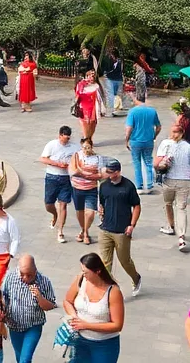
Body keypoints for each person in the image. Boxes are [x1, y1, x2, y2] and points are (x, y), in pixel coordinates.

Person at [63, 253, 125, 363]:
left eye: (86, 272)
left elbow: (117, 325)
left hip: (104, 345)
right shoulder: (81, 279)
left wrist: (86, 325)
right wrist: (74, 316)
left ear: (97, 271)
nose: (83, 274)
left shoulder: (113, 292)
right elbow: (67, 301)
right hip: (80, 340)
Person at [96, 158, 142, 295]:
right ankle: (108, 290)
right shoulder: (104, 186)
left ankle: (136, 277)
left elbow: (137, 206)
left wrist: (132, 225)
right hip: (105, 229)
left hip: (122, 231)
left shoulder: (128, 186)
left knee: (124, 261)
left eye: (111, 172)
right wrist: (101, 210)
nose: (109, 175)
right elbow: (102, 203)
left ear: (118, 171)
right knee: (105, 263)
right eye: (107, 172)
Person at [2, 255, 57, 363]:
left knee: (25, 359)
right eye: (22, 274)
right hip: (14, 325)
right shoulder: (10, 277)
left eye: (29, 275)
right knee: (19, 358)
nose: (25, 278)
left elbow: (50, 306)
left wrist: (39, 297)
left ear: (35, 271)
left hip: (33, 325)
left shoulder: (44, 281)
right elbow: (3, 297)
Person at [156, 123, 190, 252]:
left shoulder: (165, 144)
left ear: (181, 133)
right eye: (173, 132)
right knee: (178, 207)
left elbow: (156, 163)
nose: (173, 134)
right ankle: (180, 234)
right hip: (183, 181)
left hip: (171, 180)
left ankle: (175, 230)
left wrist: (161, 166)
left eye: (176, 132)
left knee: (171, 205)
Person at [39, 126, 79, 244]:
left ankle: (60, 231)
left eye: (67, 138)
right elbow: (43, 159)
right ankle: (54, 215)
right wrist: (56, 163)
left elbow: (79, 159)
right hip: (52, 177)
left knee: (63, 204)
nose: (65, 141)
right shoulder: (52, 145)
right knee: (48, 204)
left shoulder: (74, 147)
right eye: (63, 138)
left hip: (66, 178)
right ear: (60, 135)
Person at [124, 93, 162, 194]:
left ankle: (139, 187)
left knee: (137, 163)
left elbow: (129, 128)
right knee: (148, 162)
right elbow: (158, 127)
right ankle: (149, 185)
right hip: (148, 140)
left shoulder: (132, 112)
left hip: (135, 141)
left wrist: (126, 140)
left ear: (136, 99)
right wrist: (154, 136)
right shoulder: (152, 111)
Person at [70, 137, 103, 245]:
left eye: (88, 147)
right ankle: (84, 232)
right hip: (77, 187)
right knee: (80, 211)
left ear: (92, 147)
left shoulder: (97, 158)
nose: (85, 149)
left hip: (91, 189)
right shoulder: (76, 156)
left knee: (90, 213)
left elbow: (100, 175)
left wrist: (85, 175)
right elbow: (73, 171)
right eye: (84, 147)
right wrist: (89, 175)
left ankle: (84, 232)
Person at [74, 71, 105, 140]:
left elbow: (102, 98)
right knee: (85, 124)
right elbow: (78, 94)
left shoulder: (97, 85)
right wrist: (83, 84)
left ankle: (89, 138)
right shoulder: (81, 84)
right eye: (89, 75)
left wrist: (102, 109)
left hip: (95, 108)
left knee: (93, 125)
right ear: (86, 76)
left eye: (93, 76)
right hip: (84, 108)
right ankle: (86, 139)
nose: (91, 77)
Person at [101, 47, 124, 118]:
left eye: (111, 54)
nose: (110, 56)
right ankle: (109, 111)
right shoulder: (108, 60)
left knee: (117, 95)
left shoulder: (120, 61)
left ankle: (116, 109)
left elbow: (122, 70)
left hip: (118, 79)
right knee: (110, 95)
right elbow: (104, 68)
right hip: (110, 78)